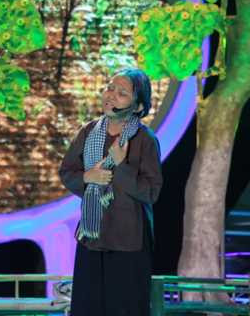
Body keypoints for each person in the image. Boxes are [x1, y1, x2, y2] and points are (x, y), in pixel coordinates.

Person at [59, 67, 164, 316]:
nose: (111, 95)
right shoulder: (88, 132)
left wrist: (120, 165)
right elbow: (67, 172)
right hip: (92, 237)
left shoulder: (145, 140)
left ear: (138, 106)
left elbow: (151, 192)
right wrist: (87, 177)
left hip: (128, 242)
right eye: (110, 88)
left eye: (122, 93)